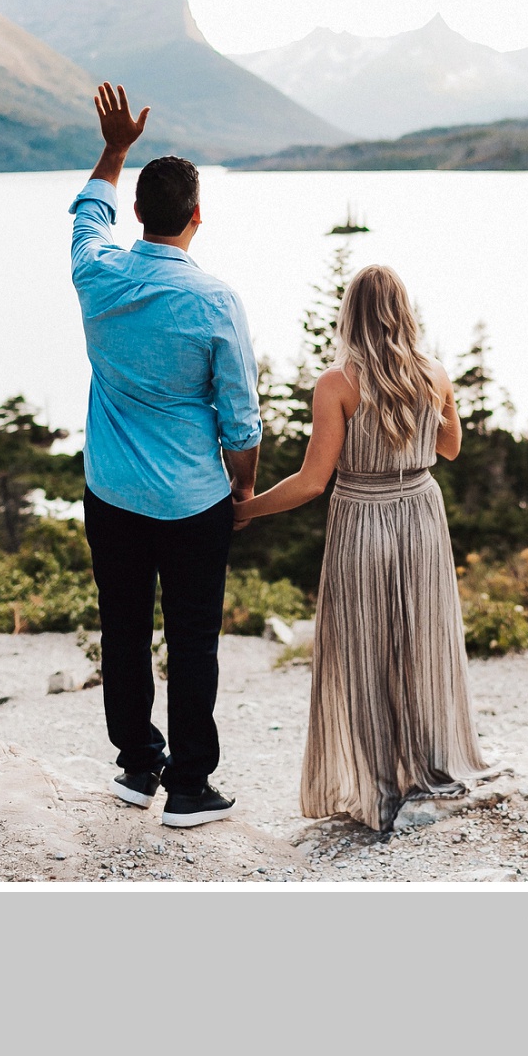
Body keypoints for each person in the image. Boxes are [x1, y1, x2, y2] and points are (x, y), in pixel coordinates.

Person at [68, 83, 261, 828]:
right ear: (198, 216)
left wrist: (114, 150)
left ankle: (135, 765)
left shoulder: (97, 274)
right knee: (192, 641)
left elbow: (89, 213)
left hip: (111, 493)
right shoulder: (216, 303)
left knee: (122, 627)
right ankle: (188, 786)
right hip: (191, 503)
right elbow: (239, 420)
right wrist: (240, 493)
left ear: (142, 214)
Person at [234, 265, 486, 832]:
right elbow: (449, 449)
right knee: (422, 644)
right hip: (420, 514)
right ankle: (429, 772)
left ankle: (378, 790)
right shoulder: (435, 374)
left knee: (364, 651)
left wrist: (242, 510)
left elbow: (310, 482)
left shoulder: (337, 383)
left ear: (350, 314)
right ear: (404, 311)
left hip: (362, 519)